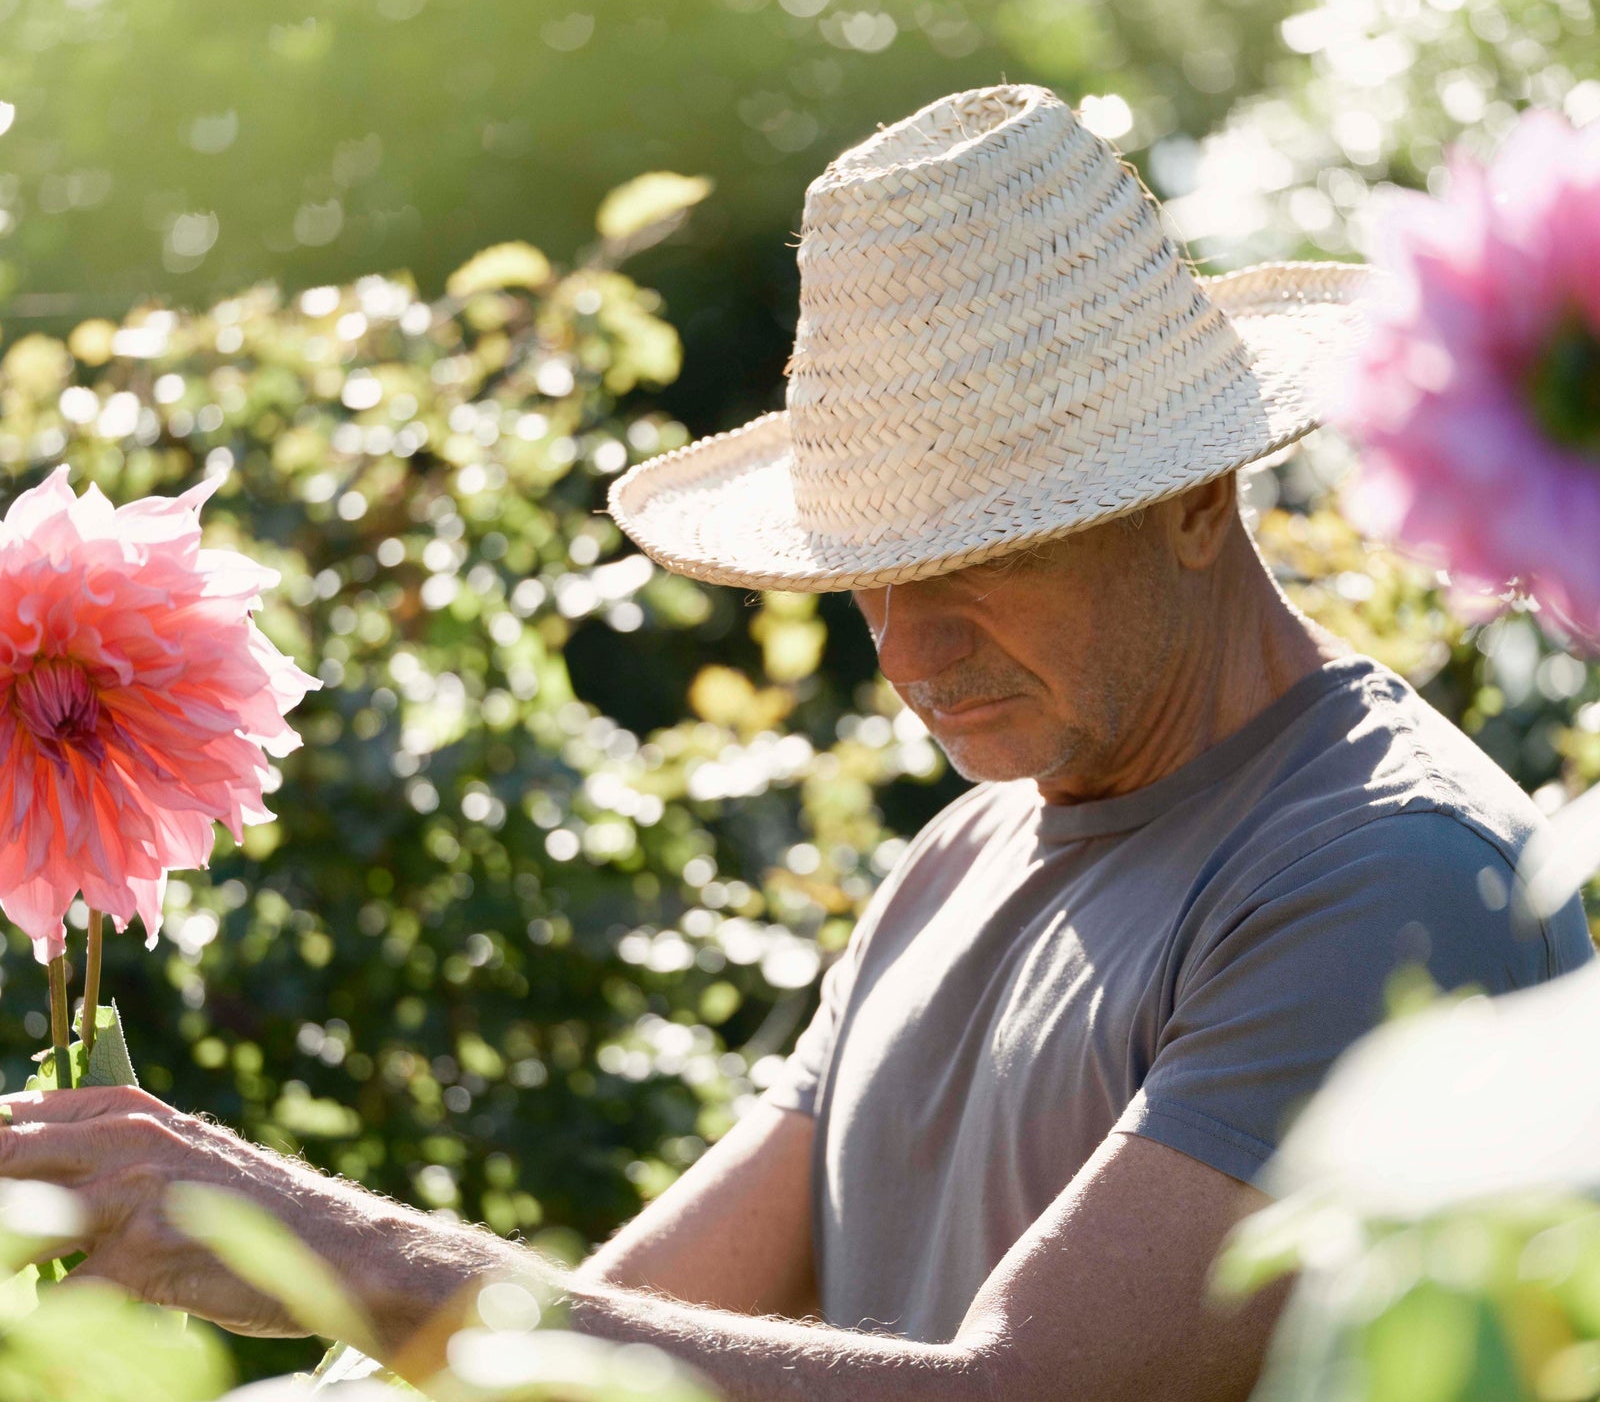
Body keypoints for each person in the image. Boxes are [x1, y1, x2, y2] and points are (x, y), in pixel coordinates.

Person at [0, 85, 1590, 1402]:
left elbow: (1016, 1399)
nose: (906, 648)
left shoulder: (1388, 873)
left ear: (1196, 497)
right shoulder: (968, 849)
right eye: (864, 578)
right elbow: (610, 1340)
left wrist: (345, 1251)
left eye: (979, 556)